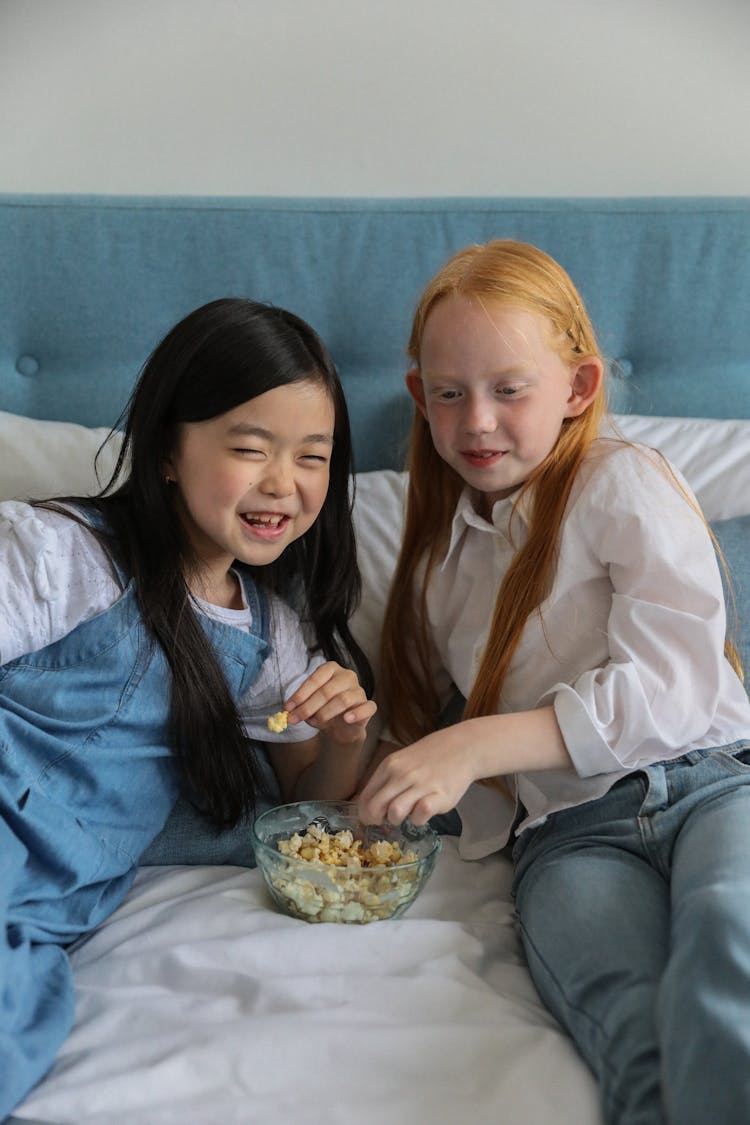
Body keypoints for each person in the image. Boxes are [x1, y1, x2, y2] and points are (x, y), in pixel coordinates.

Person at [358, 240, 750, 1125]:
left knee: (730, 936)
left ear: (577, 386)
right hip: (568, 836)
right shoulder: (437, 566)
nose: (476, 422)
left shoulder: (623, 483)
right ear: (420, 398)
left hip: (710, 785)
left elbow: (673, 685)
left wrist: (472, 742)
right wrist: (369, 756)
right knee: (627, 1016)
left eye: (509, 388)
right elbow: (409, 725)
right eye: (449, 393)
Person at [0, 297, 376, 1116]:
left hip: (42, 913)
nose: (284, 482)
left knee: (18, 1032)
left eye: (313, 457)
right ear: (168, 450)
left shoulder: (272, 633)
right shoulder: (62, 553)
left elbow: (307, 809)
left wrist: (349, 732)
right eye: (249, 448)